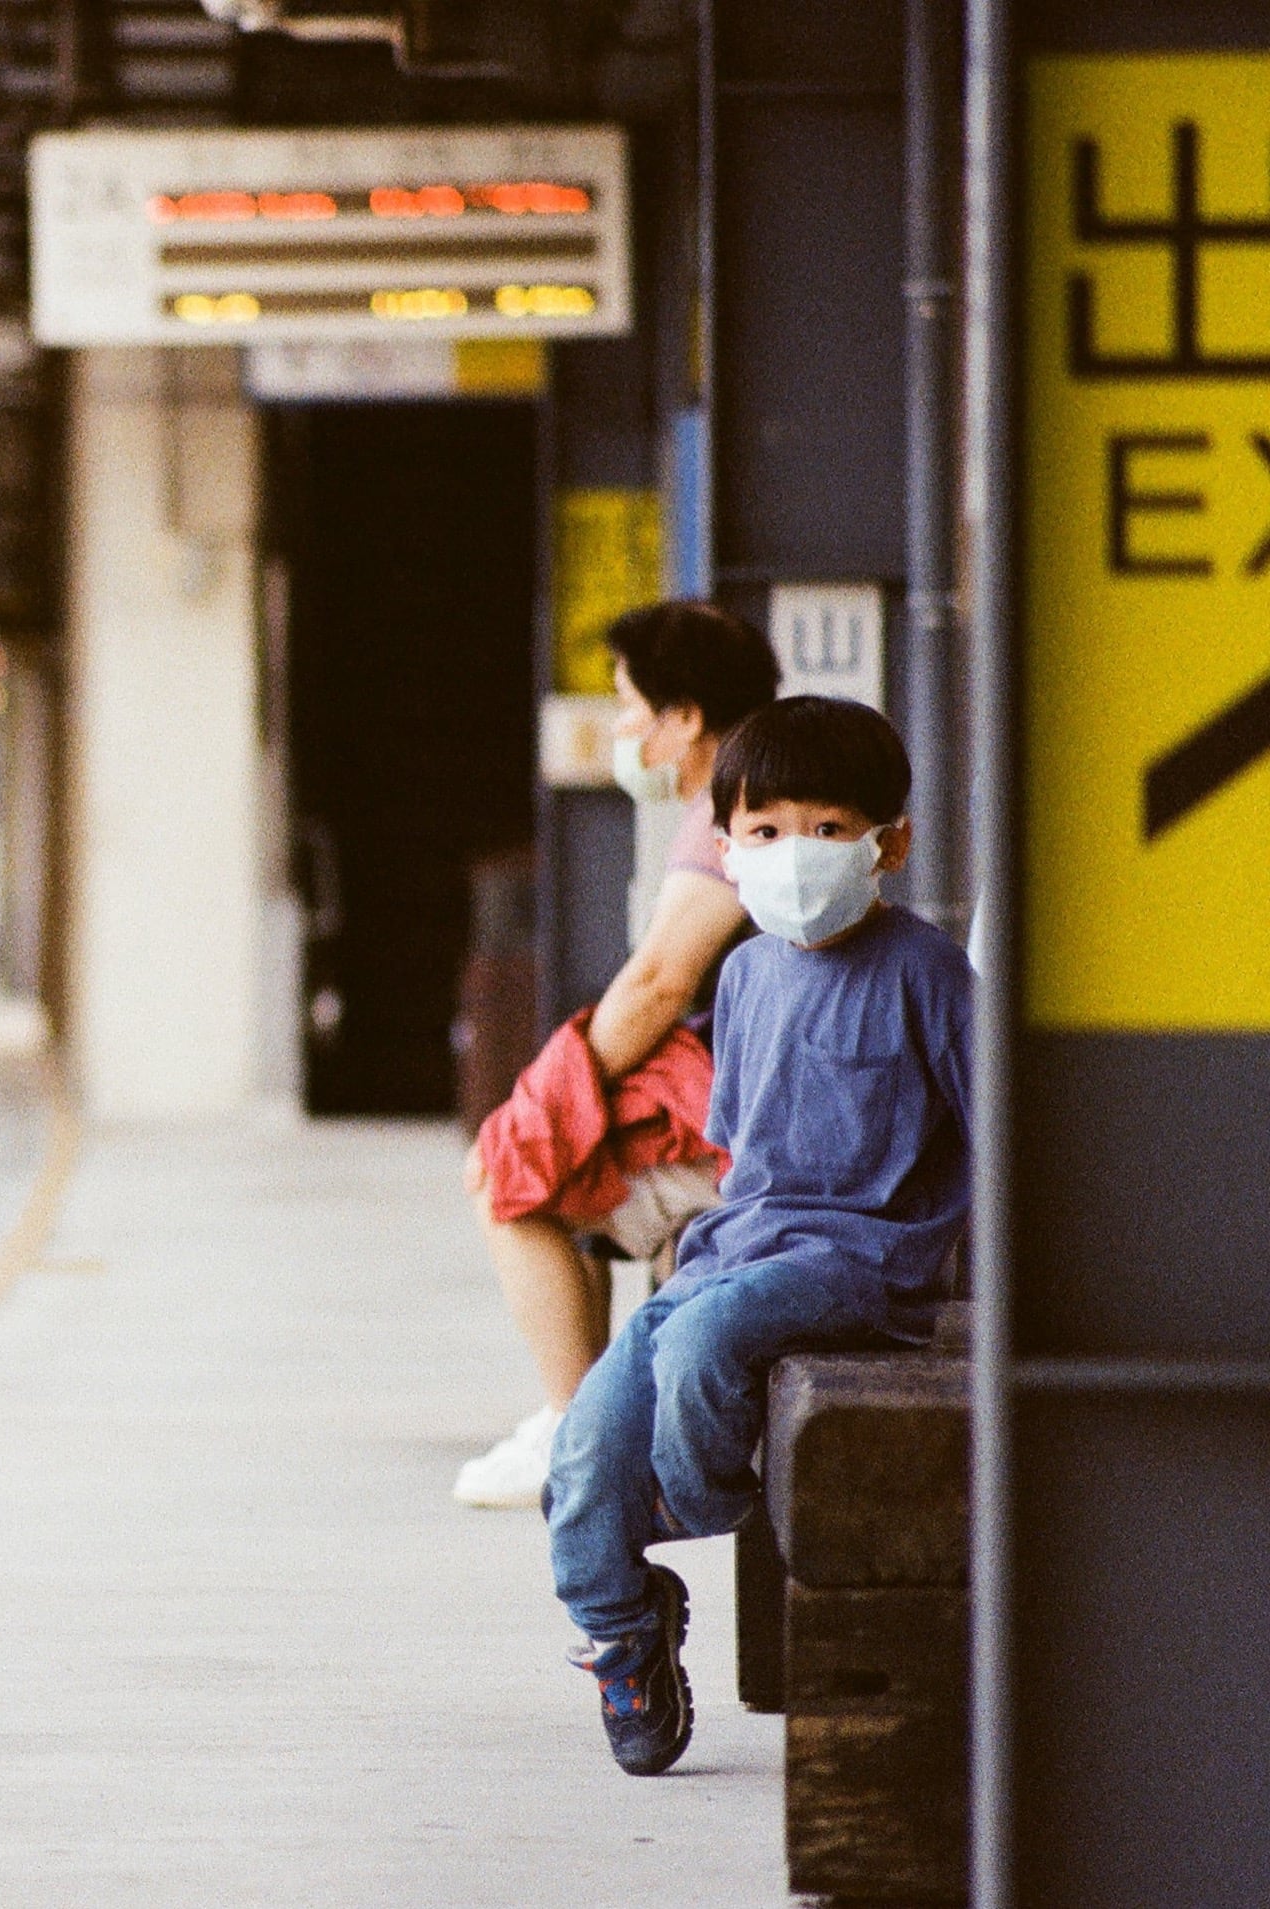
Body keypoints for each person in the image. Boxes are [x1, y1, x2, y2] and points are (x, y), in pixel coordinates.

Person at [545, 696, 972, 1776]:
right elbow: (741, 1146)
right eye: (767, 830)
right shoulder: (742, 974)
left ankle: (708, 1502)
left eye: (828, 829)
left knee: (703, 1346)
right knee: (583, 1445)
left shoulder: (925, 972)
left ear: (889, 844)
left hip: (863, 1260)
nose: (796, 854)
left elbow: (1004, 1133)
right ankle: (625, 1629)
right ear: (727, 848)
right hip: (736, 1249)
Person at [454, 601, 780, 1508]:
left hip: (748, 1151)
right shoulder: (753, 788)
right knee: (546, 1154)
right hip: (753, 1116)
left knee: (508, 1170)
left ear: (686, 717)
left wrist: (556, 1089)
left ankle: (578, 1433)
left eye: (632, 705)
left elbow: (660, 981)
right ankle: (586, 1414)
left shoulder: (735, 804)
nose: (624, 729)